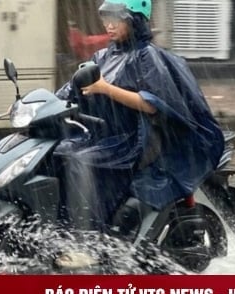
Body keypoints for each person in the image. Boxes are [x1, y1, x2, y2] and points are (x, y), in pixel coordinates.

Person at [54, 0, 225, 235]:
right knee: (55, 153)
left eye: (117, 18)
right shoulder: (102, 56)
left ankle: (88, 236)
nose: (109, 25)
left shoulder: (147, 57)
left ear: (134, 20)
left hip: (129, 141)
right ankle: (56, 228)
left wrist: (106, 89)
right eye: (106, 18)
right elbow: (70, 89)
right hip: (99, 135)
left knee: (78, 163)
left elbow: (152, 104)